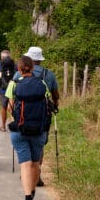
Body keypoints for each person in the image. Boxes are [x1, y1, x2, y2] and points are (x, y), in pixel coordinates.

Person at [5, 56, 50, 200]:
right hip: (38, 129)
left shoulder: (14, 84)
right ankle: (33, 191)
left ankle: (27, 199)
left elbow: (10, 108)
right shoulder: (42, 83)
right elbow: (47, 104)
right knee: (36, 163)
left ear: (19, 69)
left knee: (25, 164)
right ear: (32, 68)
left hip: (20, 129)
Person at [23, 46, 60, 187]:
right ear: (40, 60)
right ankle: (37, 175)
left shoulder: (20, 73)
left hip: (24, 112)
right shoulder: (49, 74)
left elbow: (13, 93)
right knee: (40, 141)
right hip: (43, 113)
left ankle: (26, 172)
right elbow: (55, 94)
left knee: (25, 140)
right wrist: (55, 105)